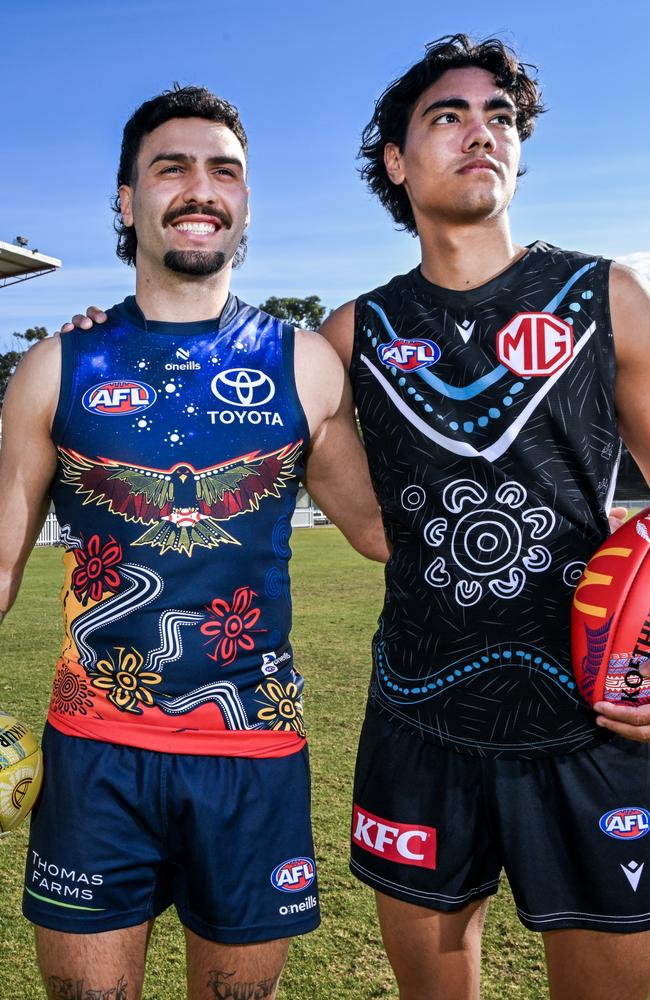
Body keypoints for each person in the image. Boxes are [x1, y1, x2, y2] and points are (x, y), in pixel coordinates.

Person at [0, 86, 388, 1000]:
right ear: (127, 201)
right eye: (169, 167)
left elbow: (381, 534)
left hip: (255, 750)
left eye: (224, 170)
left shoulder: (302, 361)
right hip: (94, 752)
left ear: (246, 202)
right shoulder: (57, 365)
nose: (199, 188)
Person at [317, 34, 650, 1000]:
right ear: (396, 160)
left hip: (592, 715)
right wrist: (103, 326)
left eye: (499, 117)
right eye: (448, 116)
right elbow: (369, 525)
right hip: (419, 710)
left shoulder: (606, 300)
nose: (482, 133)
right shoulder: (353, 334)